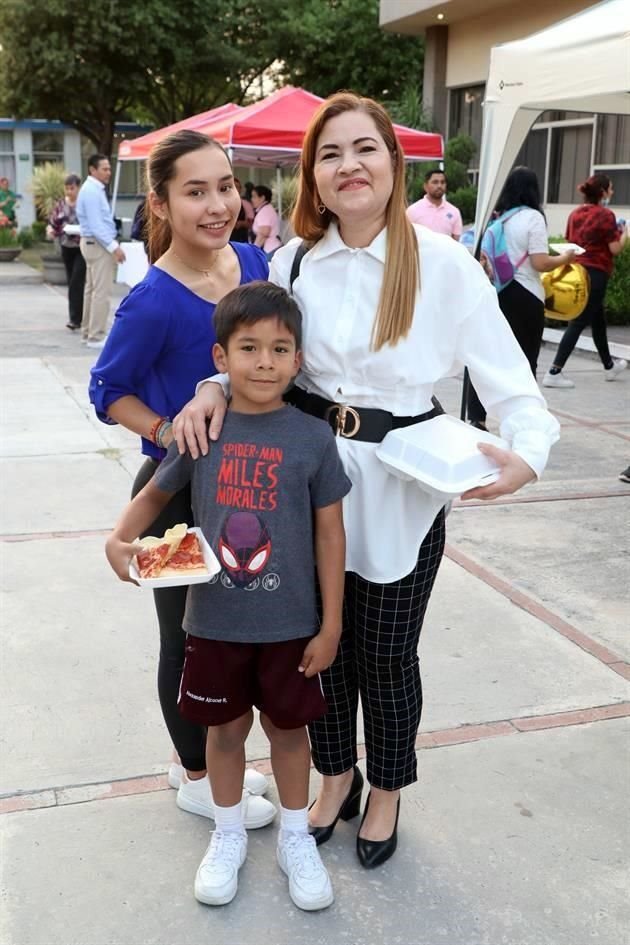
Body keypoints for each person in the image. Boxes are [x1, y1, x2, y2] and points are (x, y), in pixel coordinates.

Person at [173, 92, 560, 871]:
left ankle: (385, 787)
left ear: (395, 162)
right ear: (312, 174)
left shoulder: (445, 264)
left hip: (401, 489)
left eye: (365, 149)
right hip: (303, 483)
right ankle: (334, 775)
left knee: (386, 654)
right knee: (318, 649)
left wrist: (530, 450)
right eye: (330, 153)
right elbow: (253, 346)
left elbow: (512, 383)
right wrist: (211, 388)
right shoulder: (294, 260)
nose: (348, 165)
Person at [105, 281, 351, 910]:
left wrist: (330, 626)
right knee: (223, 732)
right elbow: (158, 492)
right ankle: (228, 832)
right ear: (221, 359)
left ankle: (296, 838)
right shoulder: (200, 433)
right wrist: (121, 537)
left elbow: (330, 533)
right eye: (248, 347)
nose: (264, 361)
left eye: (279, 348)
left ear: (299, 360)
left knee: (290, 733)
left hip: (292, 624)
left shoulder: (313, 439)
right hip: (212, 621)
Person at [88, 129, 275, 829]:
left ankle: (198, 754)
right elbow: (107, 389)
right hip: (176, 493)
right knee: (186, 637)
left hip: (250, 489)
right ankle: (196, 774)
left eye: (225, 185)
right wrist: (170, 431)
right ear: (161, 203)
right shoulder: (153, 300)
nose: (217, 203)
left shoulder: (254, 260)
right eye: (195, 191)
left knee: (233, 635)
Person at [466, 166, 576, 429]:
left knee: (487, 355)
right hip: (526, 296)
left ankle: (476, 418)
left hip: (497, 293)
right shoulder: (533, 218)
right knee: (526, 360)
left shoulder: (499, 217)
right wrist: (565, 258)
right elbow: (539, 262)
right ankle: (523, 419)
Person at [543, 173, 628, 388]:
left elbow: (568, 241)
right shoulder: (606, 215)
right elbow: (615, 248)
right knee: (580, 321)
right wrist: (624, 233)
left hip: (577, 271)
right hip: (596, 273)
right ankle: (554, 370)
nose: (612, 191)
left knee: (597, 319)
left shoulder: (575, 214)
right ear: (602, 192)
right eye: (610, 188)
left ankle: (609, 366)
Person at [76, 154, 126, 349]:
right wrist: (114, 247)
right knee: (101, 292)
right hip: (98, 244)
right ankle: (96, 336)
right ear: (92, 170)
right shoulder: (91, 191)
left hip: (93, 243)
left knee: (92, 290)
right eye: (104, 169)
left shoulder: (93, 190)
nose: (108, 172)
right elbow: (97, 226)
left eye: (109, 168)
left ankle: (88, 333)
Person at [47, 173, 86, 331]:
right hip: (66, 246)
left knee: (77, 280)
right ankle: (76, 316)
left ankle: (76, 319)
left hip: (82, 247)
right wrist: (51, 230)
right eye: (67, 188)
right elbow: (53, 223)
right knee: (72, 282)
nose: (69, 191)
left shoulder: (84, 203)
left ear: (78, 188)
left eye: (72, 188)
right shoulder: (61, 204)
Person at [406, 169, 463, 240]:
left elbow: (456, 242)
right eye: (435, 182)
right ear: (425, 186)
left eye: (442, 182)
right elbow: (406, 238)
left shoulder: (454, 212)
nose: (439, 186)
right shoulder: (412, 211)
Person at [251, 185, 282, 259]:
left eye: (254, 196)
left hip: (269, 250)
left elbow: (263, 233)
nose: (252, 199)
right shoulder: (266, 209)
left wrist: (254, 251)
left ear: (262, 198)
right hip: (271, 248)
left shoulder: (265, 211)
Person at [230, 178, 254, 243]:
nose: (235, 189)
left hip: (241, 238)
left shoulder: (246, 204)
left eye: (237, 187)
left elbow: (251, 223)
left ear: (240, 189)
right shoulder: (221, 204)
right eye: (232, 186)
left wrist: (241, 224)